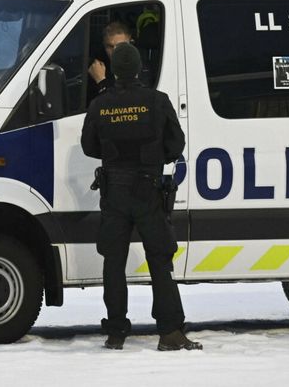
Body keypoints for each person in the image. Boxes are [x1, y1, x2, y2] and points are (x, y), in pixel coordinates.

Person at [80, 42, 202, 351]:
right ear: (138, 68)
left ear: (114, 70)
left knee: (113, 262)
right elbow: (176, 145)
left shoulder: (100, 104)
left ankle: (116, 332)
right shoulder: (157, 101)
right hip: (148, 190)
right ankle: (170, 332)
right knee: (160, 261)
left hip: (115, 192)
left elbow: (89, 147)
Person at [87, 21, 133, 99]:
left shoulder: (140, 69)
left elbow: (123, 105)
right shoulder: (96, 69)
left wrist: (101, 81)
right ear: (103, 45)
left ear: (130, 43)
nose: (115, 51)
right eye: (110, 46)